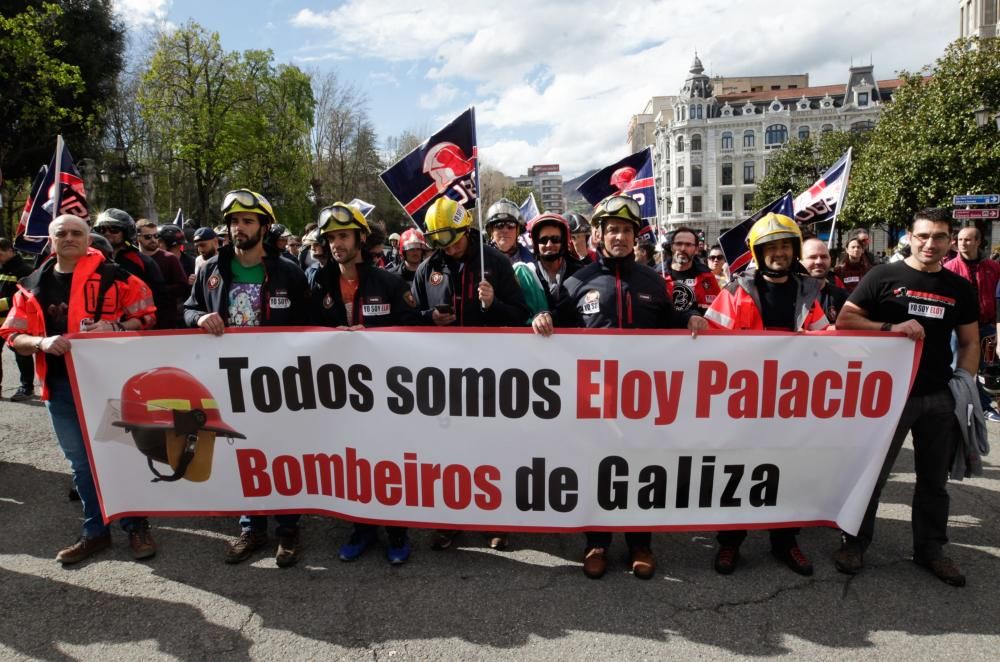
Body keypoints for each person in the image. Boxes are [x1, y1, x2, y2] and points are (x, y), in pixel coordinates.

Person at [533, 194, 707, 580]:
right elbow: (554, 324)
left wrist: (691, 317)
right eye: (612, 229)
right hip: (594, 399)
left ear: (635, 236)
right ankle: (596, 543)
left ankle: (640, 543)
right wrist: (541, 317)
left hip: (642, 400)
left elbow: (671, 320)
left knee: (640, 469)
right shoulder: (577, 281)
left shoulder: (651, 280)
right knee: (597, 469)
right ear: (598, 234)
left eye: (626, 230)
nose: (619, 236)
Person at [1, 214, 157, 564]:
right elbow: (13, 336)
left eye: (76, 233)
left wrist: (115, 326)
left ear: (88, 239)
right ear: (51, 241)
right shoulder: (31, 284)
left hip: (109, 384)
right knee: (81, 464)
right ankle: (95, 530)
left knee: (119, 454)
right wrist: (41, 342)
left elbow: (147, 315)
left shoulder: (115, 277)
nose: (69, 238)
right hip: (59, 387)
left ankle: (136, 525)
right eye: (62, 233)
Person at [834, 207, 978, 587]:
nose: (931, 243)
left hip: (939, 396)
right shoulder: (883, 276)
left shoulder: (959, 288)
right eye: (923, 236)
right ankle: (854, 542)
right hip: (887, 398)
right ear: (910, 237)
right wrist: (890, 327)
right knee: (873, 475)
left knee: (934, 481)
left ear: (950, 242)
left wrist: (965, 384)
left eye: (940, 237)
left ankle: (930, 549)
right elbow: (845, 321)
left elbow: (969, 341)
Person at [184, 188, 309, 567]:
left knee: (282, 455)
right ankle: (251, 528)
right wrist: (198, 317)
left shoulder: (288, 271)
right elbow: (189, 309)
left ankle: (288, 531)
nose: (239, 228)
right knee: (242, 454)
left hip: (278, 384)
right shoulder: (210, 271)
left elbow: (310, 326)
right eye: (234, 221)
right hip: (229, 384)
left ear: (264, 226)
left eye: (248, 221)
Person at [704, 212, 830, 577]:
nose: (779, 253)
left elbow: (827, 338)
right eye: (770, 247)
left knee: (787, 471)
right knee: (735, 470)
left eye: (785, 246)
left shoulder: (809, 292)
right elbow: (711, 344)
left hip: (791, 400)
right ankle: (730, 540)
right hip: (741, 400)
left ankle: (786, 540)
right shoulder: (735, 291)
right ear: (758, 253)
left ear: (794, 250)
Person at [412, 196, 529, 551]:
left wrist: (494, 305)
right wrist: (428, 319)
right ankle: (451, 519)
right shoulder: (428, 267)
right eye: (441, 243)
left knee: (492, 450)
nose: (450, 249)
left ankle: (496, 519)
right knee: (448, 453)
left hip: (490, 378)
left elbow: (520, 314)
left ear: (465, 229)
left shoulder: (493, 262)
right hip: (444, 380)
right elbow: (409, 322)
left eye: (455, 240)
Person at [308, 202, 419, 564]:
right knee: (351, 462)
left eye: (343, 236)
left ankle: (398, 532)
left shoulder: (388, 282)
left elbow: (413, 330)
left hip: (386, 393)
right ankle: (361, 527)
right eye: (331, 238)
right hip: (338, 394)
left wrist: (369, 335)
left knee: (389, 460)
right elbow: (300, 331)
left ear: (359, 238)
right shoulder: (316, 282)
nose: (336, 243)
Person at [943, 224, 1000, 420]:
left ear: (978, 241)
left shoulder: (993, 268)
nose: (962, 243)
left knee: (985, 367)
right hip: (957, 328)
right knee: (955, 365)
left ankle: (984, 406)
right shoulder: (949, 268)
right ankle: (953, 403)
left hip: (985, 326)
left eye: (967, 239)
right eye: (959, 240)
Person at [517, 213, 585, 320]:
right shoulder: (527, 275)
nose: (549, 244)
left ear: (563, 242)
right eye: (543, 240)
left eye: (555, 239)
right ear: (536, 243)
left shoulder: (580, 273)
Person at [0, 238, 36, 401]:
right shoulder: (3, 268)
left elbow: (26, 296)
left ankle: (27, 388)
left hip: (17, 320)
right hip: (2, 321)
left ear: (10, 250)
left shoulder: (24, 270)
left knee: (22, 354)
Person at [136, 219, 188, 329]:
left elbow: (183, 286)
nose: (153, 240)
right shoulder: (133, 259)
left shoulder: (170, 258)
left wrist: (158, 291)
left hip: (166, 322)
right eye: (148, 237)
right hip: (139, 322)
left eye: (156, 235)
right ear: (138, 238)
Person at [659, 226, 721, 315]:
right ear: (672, 247)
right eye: (679, 244)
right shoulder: (657, 275)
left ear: (696, 249)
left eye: (688, 245)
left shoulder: (707, 277)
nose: (683, 248)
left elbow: (717, 312)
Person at [800, 237, 849, 324]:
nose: (819, 261)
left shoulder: (842, 297)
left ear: (830, 259)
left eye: (824, 257)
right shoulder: (789, 296)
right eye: (812, 257)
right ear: (800, 261)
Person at [485, 198, 533, 264]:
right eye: (499, 225)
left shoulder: (535, 263)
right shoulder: (479, 262)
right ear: (491, 231)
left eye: (511, 224)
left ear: (518, 231)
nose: (505, 230)